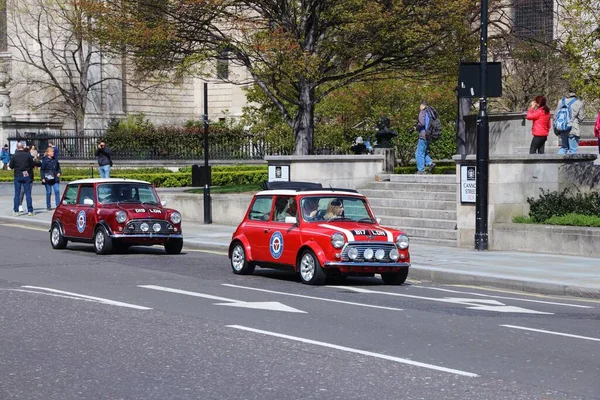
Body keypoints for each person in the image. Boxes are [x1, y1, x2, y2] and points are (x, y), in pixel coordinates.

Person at [8, 142, 35, 216]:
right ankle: (30, 211)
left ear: (17, 147)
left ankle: (16, 210)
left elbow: (11, 166)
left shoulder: (14, 156)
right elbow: (32, 165)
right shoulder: (28, 155)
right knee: (28, 193)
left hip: (17, 175)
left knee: (17, 193)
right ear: (23, 147)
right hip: (26, 175)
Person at [555, 90, 585, 154]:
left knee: (563, 148)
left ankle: (558, 162)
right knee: (572, 150)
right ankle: (570, 164)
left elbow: (555, 116)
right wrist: (575, 122)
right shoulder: (579, 102)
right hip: (573, 127)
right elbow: (581, 117)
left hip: (563, 127)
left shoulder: (561, 101)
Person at [414, 100, 436, 174]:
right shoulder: (430, 112)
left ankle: (421, 170)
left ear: (422, 105)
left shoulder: (422, 112)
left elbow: (422, 123)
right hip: (429, 135)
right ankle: (430, 163)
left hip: (423, 135)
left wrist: (415, 128)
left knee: (418, 153)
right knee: (424, 151)